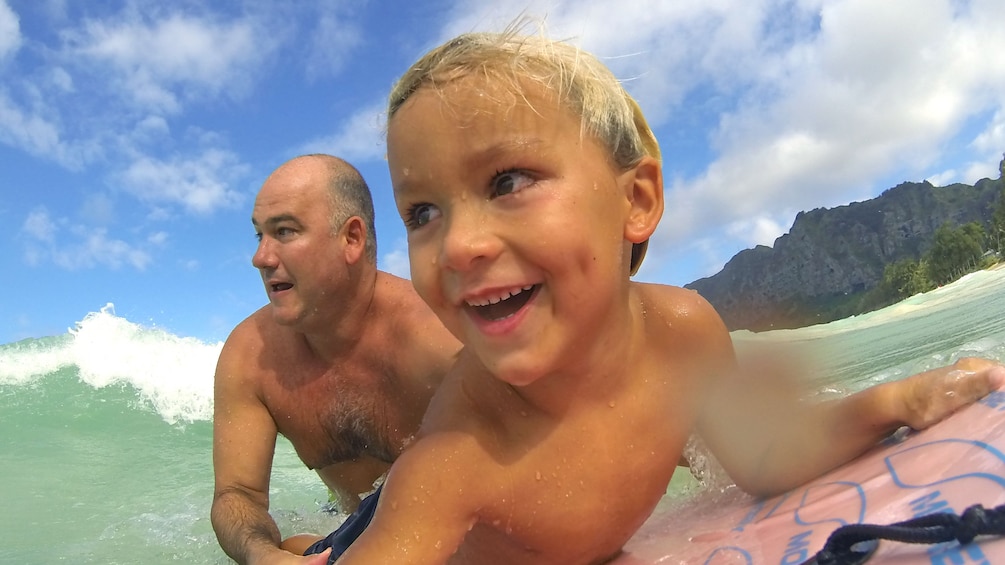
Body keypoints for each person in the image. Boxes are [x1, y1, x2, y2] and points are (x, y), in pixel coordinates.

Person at [296, 31, 1005, 565]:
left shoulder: (681, 332)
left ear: (635, 199)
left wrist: (894, 402)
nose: (456, 245)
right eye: (422, 213)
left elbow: (759, 456)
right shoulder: (453, 463)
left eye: (507, 181)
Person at [210, 154, 462, 565]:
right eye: (259, 236)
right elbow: (238, 495)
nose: (261, 257)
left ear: (351, 238)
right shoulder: (249, 357)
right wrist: (263, 556)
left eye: (285, 231)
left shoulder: (438, 334)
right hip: (346, 530)